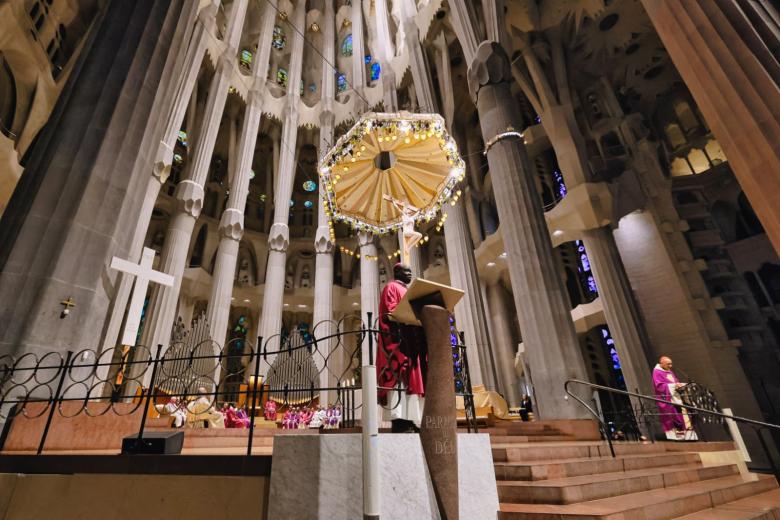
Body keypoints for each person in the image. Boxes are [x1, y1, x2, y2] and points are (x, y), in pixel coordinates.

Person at [376, 263, 427, 433]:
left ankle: (412, 419)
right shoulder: (391, 287)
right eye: (407, 271)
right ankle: (400, 421)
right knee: (400, 377)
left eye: (411, 271)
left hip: (410, 343)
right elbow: (391, 313)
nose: (410, 274)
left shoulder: (407, 290)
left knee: (412, 380)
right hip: (398, 342)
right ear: (397, 272)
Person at [652, 356, 688, 440]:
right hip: (667, 398)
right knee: (673, 415)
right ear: (662, 363)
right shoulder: (657, 372)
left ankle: (685, 434)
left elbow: (675, 381)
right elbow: (659, 386)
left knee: (681, 414)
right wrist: (674, 386)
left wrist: (678, 384)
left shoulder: (669, 371)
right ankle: (677, 436)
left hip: (676, 397)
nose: (670, 366)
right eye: (668, 364)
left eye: (671, 364)